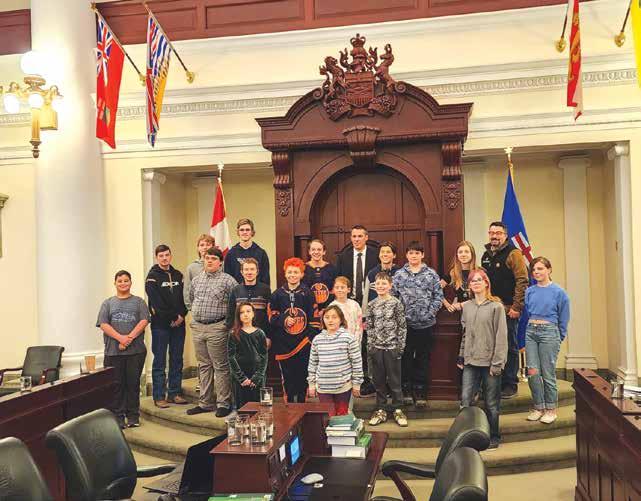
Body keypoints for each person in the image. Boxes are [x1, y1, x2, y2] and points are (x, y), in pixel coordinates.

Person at [457, 268, 508, 450]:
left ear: (486, 283)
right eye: (473, 281)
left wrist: (497, 363)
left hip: (490, 362)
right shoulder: (467, 307)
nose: (476, 283)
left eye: (479, 280)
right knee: (465, 400)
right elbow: (465, 334)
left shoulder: (496, 307)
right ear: (469, 286)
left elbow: (501, 337)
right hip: (470, 361)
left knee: (491, 403)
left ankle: (493, 436)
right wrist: (461, 356)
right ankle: (465, 436)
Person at [187, 247, 238, 417]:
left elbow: (236, 304)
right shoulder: (197, 280)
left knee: (220, 366)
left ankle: (223, 403)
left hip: (218, 327)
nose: (209, 261)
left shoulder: (228, 281)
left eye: (213, 259)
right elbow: (191, 299)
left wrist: (227, 325)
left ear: (220, 262)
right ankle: (205, 403)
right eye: (207, 258)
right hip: (198, 327)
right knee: (203, 365)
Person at [481, 222, 529, 399]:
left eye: (498, 233)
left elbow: (522, 281)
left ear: (505, 235)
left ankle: (510, 384)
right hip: (490, 309)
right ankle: (496, 383)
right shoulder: (486, 255)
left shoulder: (514, 254)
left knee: (509, 346)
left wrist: (516, 307)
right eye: (491, 232)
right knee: (494, 347)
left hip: (509, 310)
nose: (494, 236)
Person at [393, 241, 444, 407]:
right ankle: (406, 390)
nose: (414, 256)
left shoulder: (431, 274)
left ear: (422, 255)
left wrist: (429, 313)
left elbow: (438, 296)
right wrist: (400, 316)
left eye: (417, 253)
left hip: (426, 324)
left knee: (423, 358)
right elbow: (393, 297)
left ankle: (421, 391)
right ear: (406, 255)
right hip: (405, 325)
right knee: (406, 357)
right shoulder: (399, 275)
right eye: (411, 253)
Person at [97, 270, 150, 429]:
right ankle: (118, 417)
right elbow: (103, 324)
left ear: (131, 283)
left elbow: (144, 321)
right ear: (115, 283)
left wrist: (128, 339)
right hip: (113, 353)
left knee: (133, 385)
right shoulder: (108, 303)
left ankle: (133, 416)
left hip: (136, 352)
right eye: (120, 281)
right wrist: (121, 338)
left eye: (126, 280)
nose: (123, 283)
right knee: (117, 386)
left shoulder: (139, 302)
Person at [524, 257, 570, 425]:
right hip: (531, 331)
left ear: (549, 270)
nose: (536, 272)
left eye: (540, 268)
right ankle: (539, 407)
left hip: (549, 333)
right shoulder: (530, 291)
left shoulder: (559, 292)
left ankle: (551, 409)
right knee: (532, 372)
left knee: (547, 372)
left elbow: (564, 317)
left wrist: (559, 336)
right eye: (534, 269)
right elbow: (528, 312)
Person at [269, 257, 320, 403]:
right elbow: (271, 316)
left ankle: (302, 405)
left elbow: (314, 318)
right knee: (288, 377)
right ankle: (289, 405)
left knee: (302, 376)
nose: (292, 275)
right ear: (285, 274)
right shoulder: (277, 294)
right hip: (284, 343)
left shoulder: (308, 293)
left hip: (303, 343)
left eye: (296, 272)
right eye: (290, 272)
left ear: (302, 274)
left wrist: (309, 339)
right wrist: (283, 320)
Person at [145, 244, 189, 408]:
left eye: (167, 255)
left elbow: (185, 298)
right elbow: (156, 303)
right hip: (160, 325)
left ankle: (174, 393)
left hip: (179, 324)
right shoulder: (152, 278)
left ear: (170, 256)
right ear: (157, 257)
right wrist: (172, 317)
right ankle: (159, 396)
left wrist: (182, 315)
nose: (164, 258)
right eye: (161, 256)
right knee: (160, 361)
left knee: (177, 359)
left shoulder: (179, 275)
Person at [367, 272, 408, 427]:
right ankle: (381, 409)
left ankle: (398, 409)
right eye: (378, 283)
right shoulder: (371, 305)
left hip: (392, 348)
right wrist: (371, 347)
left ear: (390, 286)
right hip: (377, 348)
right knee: (379, 381)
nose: (381, 286)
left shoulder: (396, 303)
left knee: (395, 380)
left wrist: (400, 347)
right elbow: (369, 327)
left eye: (384, 283)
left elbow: (402, 326)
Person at [307, 305, 363, 416]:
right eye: (327, 317)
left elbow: (356, 362)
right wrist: (312, 384)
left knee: (341, 419)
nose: (330, 320)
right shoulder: (317, 340)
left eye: (334, 317)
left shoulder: (349, 338)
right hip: (323, 388)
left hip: (343, 387)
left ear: (341, 319)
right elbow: (313, 363)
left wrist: (357, 384)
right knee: (328, 418)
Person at [228, 302, 268, 409]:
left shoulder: (260, 333)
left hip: (257, 376)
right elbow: (231, 357)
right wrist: (241, 378)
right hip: (240, 376)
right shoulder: (233, 333)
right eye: (242, 312)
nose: (245, 314)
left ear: (253, 314)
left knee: (258, 407)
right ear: (238, 316)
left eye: (248, 311)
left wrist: (257, 377)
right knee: (242, 407)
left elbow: (264, 356)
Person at [225, 258, 272, 346]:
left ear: (257, 271)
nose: (249, 272)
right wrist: (232, 335)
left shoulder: (265, 289)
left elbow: (269, 315)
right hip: (240, 337)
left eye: (252, 269)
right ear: (241, 272)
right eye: (246, 269)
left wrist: (268, 336)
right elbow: (230, 315)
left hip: (260, 336)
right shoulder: (236, 290)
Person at [335, 225, 378, 305]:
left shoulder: (376, 255)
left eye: (360, 236)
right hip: (349, 301)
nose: (356, 239)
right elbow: (338, 279)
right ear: (351, 238)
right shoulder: (343, 257)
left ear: (366, 237)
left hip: (371, 301)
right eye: (354, 236)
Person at [224, 218, 271, 286]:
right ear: (238, 232)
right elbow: (228, 278)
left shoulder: (261, 253)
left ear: (252, 232)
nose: (245, 232)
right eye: (242, 230)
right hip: (237, 291)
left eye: (247, 230)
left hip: (257, 291)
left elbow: (265, 278)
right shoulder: (231, 254)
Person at [303, 239, 338, 321]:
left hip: (328, 310)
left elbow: (334, 290)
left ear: (324, 252)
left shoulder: (332, 268)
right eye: (313, 249)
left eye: (319, 249)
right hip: (308, 310)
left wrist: (326, 309)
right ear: (309, 252)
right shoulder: (303, 268)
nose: (316, 252)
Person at [363, 241, 400, 314]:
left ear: (394, 255)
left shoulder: (400, 274)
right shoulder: (372, 273)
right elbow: (366, 297)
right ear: (379, 255)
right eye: (382, 252)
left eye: (388, 252)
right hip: (376, 314)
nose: (385, 254)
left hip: (395, 314)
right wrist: (364, 315)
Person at [442, 240, 478, 313]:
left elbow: (485, 296)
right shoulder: (452, 273)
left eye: (466, 252)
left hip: (478, 311)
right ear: (457, 255)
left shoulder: (480, 272)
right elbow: (436, 289)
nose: (463, 254)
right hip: (461, 314)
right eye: (460, 252)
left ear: (472, 254)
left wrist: (461, 305)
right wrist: (447, 305)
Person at [184, 234, 215, 310]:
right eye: (202, 245)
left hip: (216, 309)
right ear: (198, 248)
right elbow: (187, 290)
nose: (205, 247)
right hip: (198, 309)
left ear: (213, 247)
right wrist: (191, 307)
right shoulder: (191, 268)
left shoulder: (220, 266)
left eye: (208, 245)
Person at [328, 276, 363, 344]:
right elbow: (331, 327)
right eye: (337, 287)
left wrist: (355, 341)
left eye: (342, 287)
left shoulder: (355, 305)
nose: (339, 290)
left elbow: (359, 325)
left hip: (355, 341)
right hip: (339, 343)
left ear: (348, 290)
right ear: (333, 290)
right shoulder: (331, 307)